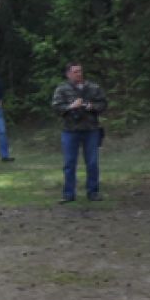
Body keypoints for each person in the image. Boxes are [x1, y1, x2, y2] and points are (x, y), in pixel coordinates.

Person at [52, 61, 108, 202]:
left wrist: (92, 106)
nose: (79, 74)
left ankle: (93, 192)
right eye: (75, 71)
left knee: (92, 162)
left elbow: (103, 104)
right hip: (70, 130)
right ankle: (69, 193)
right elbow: (56, 107)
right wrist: (71, 106)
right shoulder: (62, 89)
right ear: (68, 73)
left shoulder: (93, 87)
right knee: (69, 163)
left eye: (80, 71)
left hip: (91, 129)